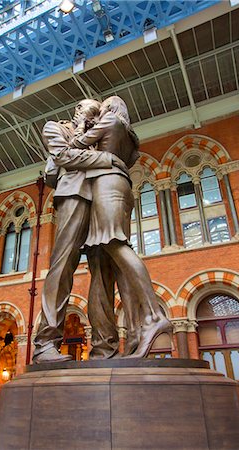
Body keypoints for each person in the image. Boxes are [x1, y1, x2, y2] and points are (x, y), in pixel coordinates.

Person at [71, 96, 172, 358]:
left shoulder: (109, 120)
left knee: (114, 244)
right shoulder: (128, 135)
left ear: (111, 108)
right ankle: (137, 330)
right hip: (124, 187)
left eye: (103, 105)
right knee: (117, 254)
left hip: (107, 186)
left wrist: (84, 125)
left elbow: (75, 147)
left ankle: (153, 315)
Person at [33, 100, 128, 363]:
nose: (96, 114)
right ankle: (45, 344)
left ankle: (105, 347)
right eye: (91, 109)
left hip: (102, 197)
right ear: (76, 110)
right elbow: (64, 156)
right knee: (63, 263)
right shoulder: (54, 128)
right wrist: (107, 159)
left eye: (99, 112)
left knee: (103, 270)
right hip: (73, 193)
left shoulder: (97, 134)